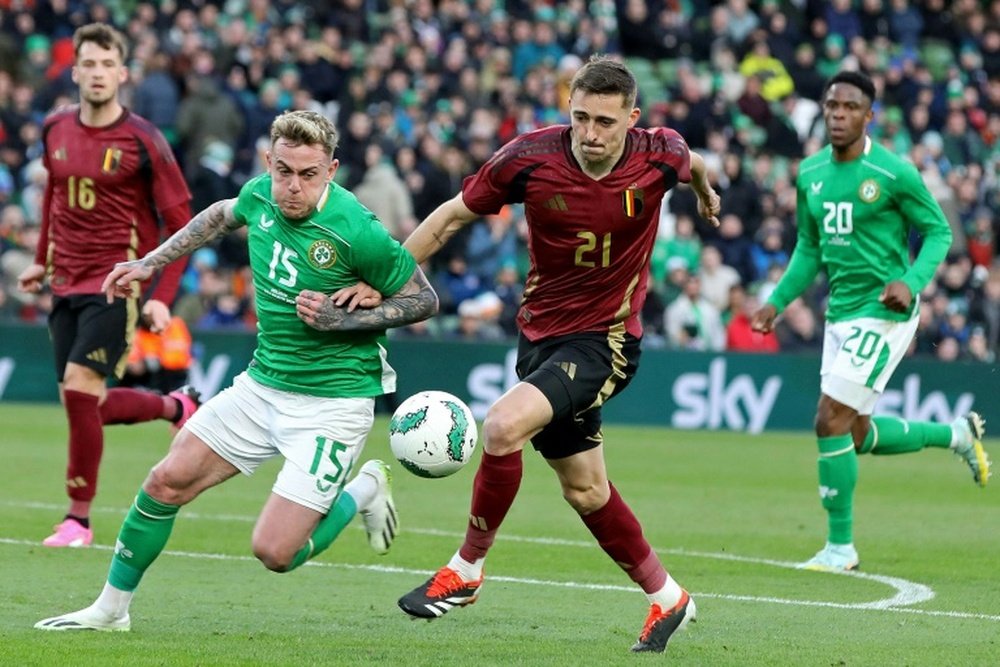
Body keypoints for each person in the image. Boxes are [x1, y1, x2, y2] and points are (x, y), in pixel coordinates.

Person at [34, 109, 439, 631]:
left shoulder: (357, 230)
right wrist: (150, 263)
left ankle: (361, 489)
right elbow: (220, 215)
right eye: (283, 171)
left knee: (275, 552)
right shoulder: (262, 194)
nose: (293, 187)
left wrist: (342, 320)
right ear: (268, 161)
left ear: (331, 171)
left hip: (333, 403)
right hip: (262, 384)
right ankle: (110, 611)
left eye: (308, 175)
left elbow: (424, 300)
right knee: (164, 482)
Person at [394, 55, 720, 653]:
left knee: (501, 425)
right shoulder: (528, 158)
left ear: (633, 119)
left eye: (605, 122)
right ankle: (668, 597)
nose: (591, 134)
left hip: (608, 342)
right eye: (580, 118)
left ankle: (466, 570)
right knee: (585, 490)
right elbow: (449, 219)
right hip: (540, 336)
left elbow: (692, 162)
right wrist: (389, 280)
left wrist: (704, 191)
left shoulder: (659, 152)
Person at [750, 71, 990, 573]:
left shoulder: (893, 172)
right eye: (832, 105)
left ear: (868, 116)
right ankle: (956, 436)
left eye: (850, 107)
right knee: (854, 433)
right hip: (840, 313)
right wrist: (777, 301)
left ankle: (841, 548)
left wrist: (911, 280)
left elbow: (940, 232)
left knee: (828, 418)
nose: (838, 115)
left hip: (886, 312)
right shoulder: (810, 172)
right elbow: (809, 248)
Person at [15, 23, 201, 549]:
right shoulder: (54, 129)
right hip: (65, 280)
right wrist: (39, 261)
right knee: (85, 405)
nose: (97, 74)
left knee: (79, 389)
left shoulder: (143, 139)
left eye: (106, 65)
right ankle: (176, 406)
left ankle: (78, 520)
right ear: (74, 72)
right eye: (88, 64)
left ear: (122, 74)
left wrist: (160, 298)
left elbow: (182, 223)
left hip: (117, 281)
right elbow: (54, 198)